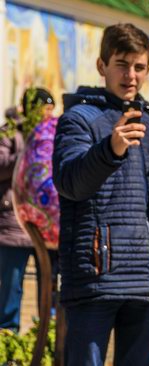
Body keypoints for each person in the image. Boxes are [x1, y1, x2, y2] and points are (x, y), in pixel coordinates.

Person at [52, 23, 149, 366]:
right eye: (122, 64)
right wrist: (110, 149)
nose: (131, 75)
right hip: (96, 277)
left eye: (139, 67)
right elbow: (70, 182)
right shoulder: (79, 119)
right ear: (102, 66)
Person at [0, 88, 56, 332]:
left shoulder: (52, 135)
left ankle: (46, 339)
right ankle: (7, 343)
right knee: (10, 291)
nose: (48, 116)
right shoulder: (10, 132)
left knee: (49, 288)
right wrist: (28, 154)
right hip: (13, 226)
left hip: (47, 227)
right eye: (45, 110)